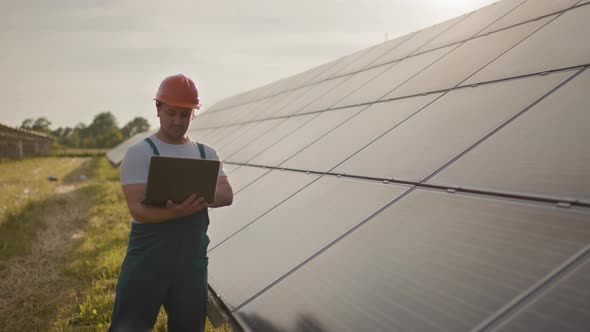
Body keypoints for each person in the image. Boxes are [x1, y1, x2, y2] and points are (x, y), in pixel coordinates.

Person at [109, 74, 234, 332]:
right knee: (128, 327)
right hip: (147, 263)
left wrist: (186, 199)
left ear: (193, 115)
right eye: (172, 113)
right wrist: (177, 210)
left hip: (190, 264)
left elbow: (227, 194)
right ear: (158, 110)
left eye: (185, 115)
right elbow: (138, 210)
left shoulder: (206, 153)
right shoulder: (140, 153)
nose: (178, 121)